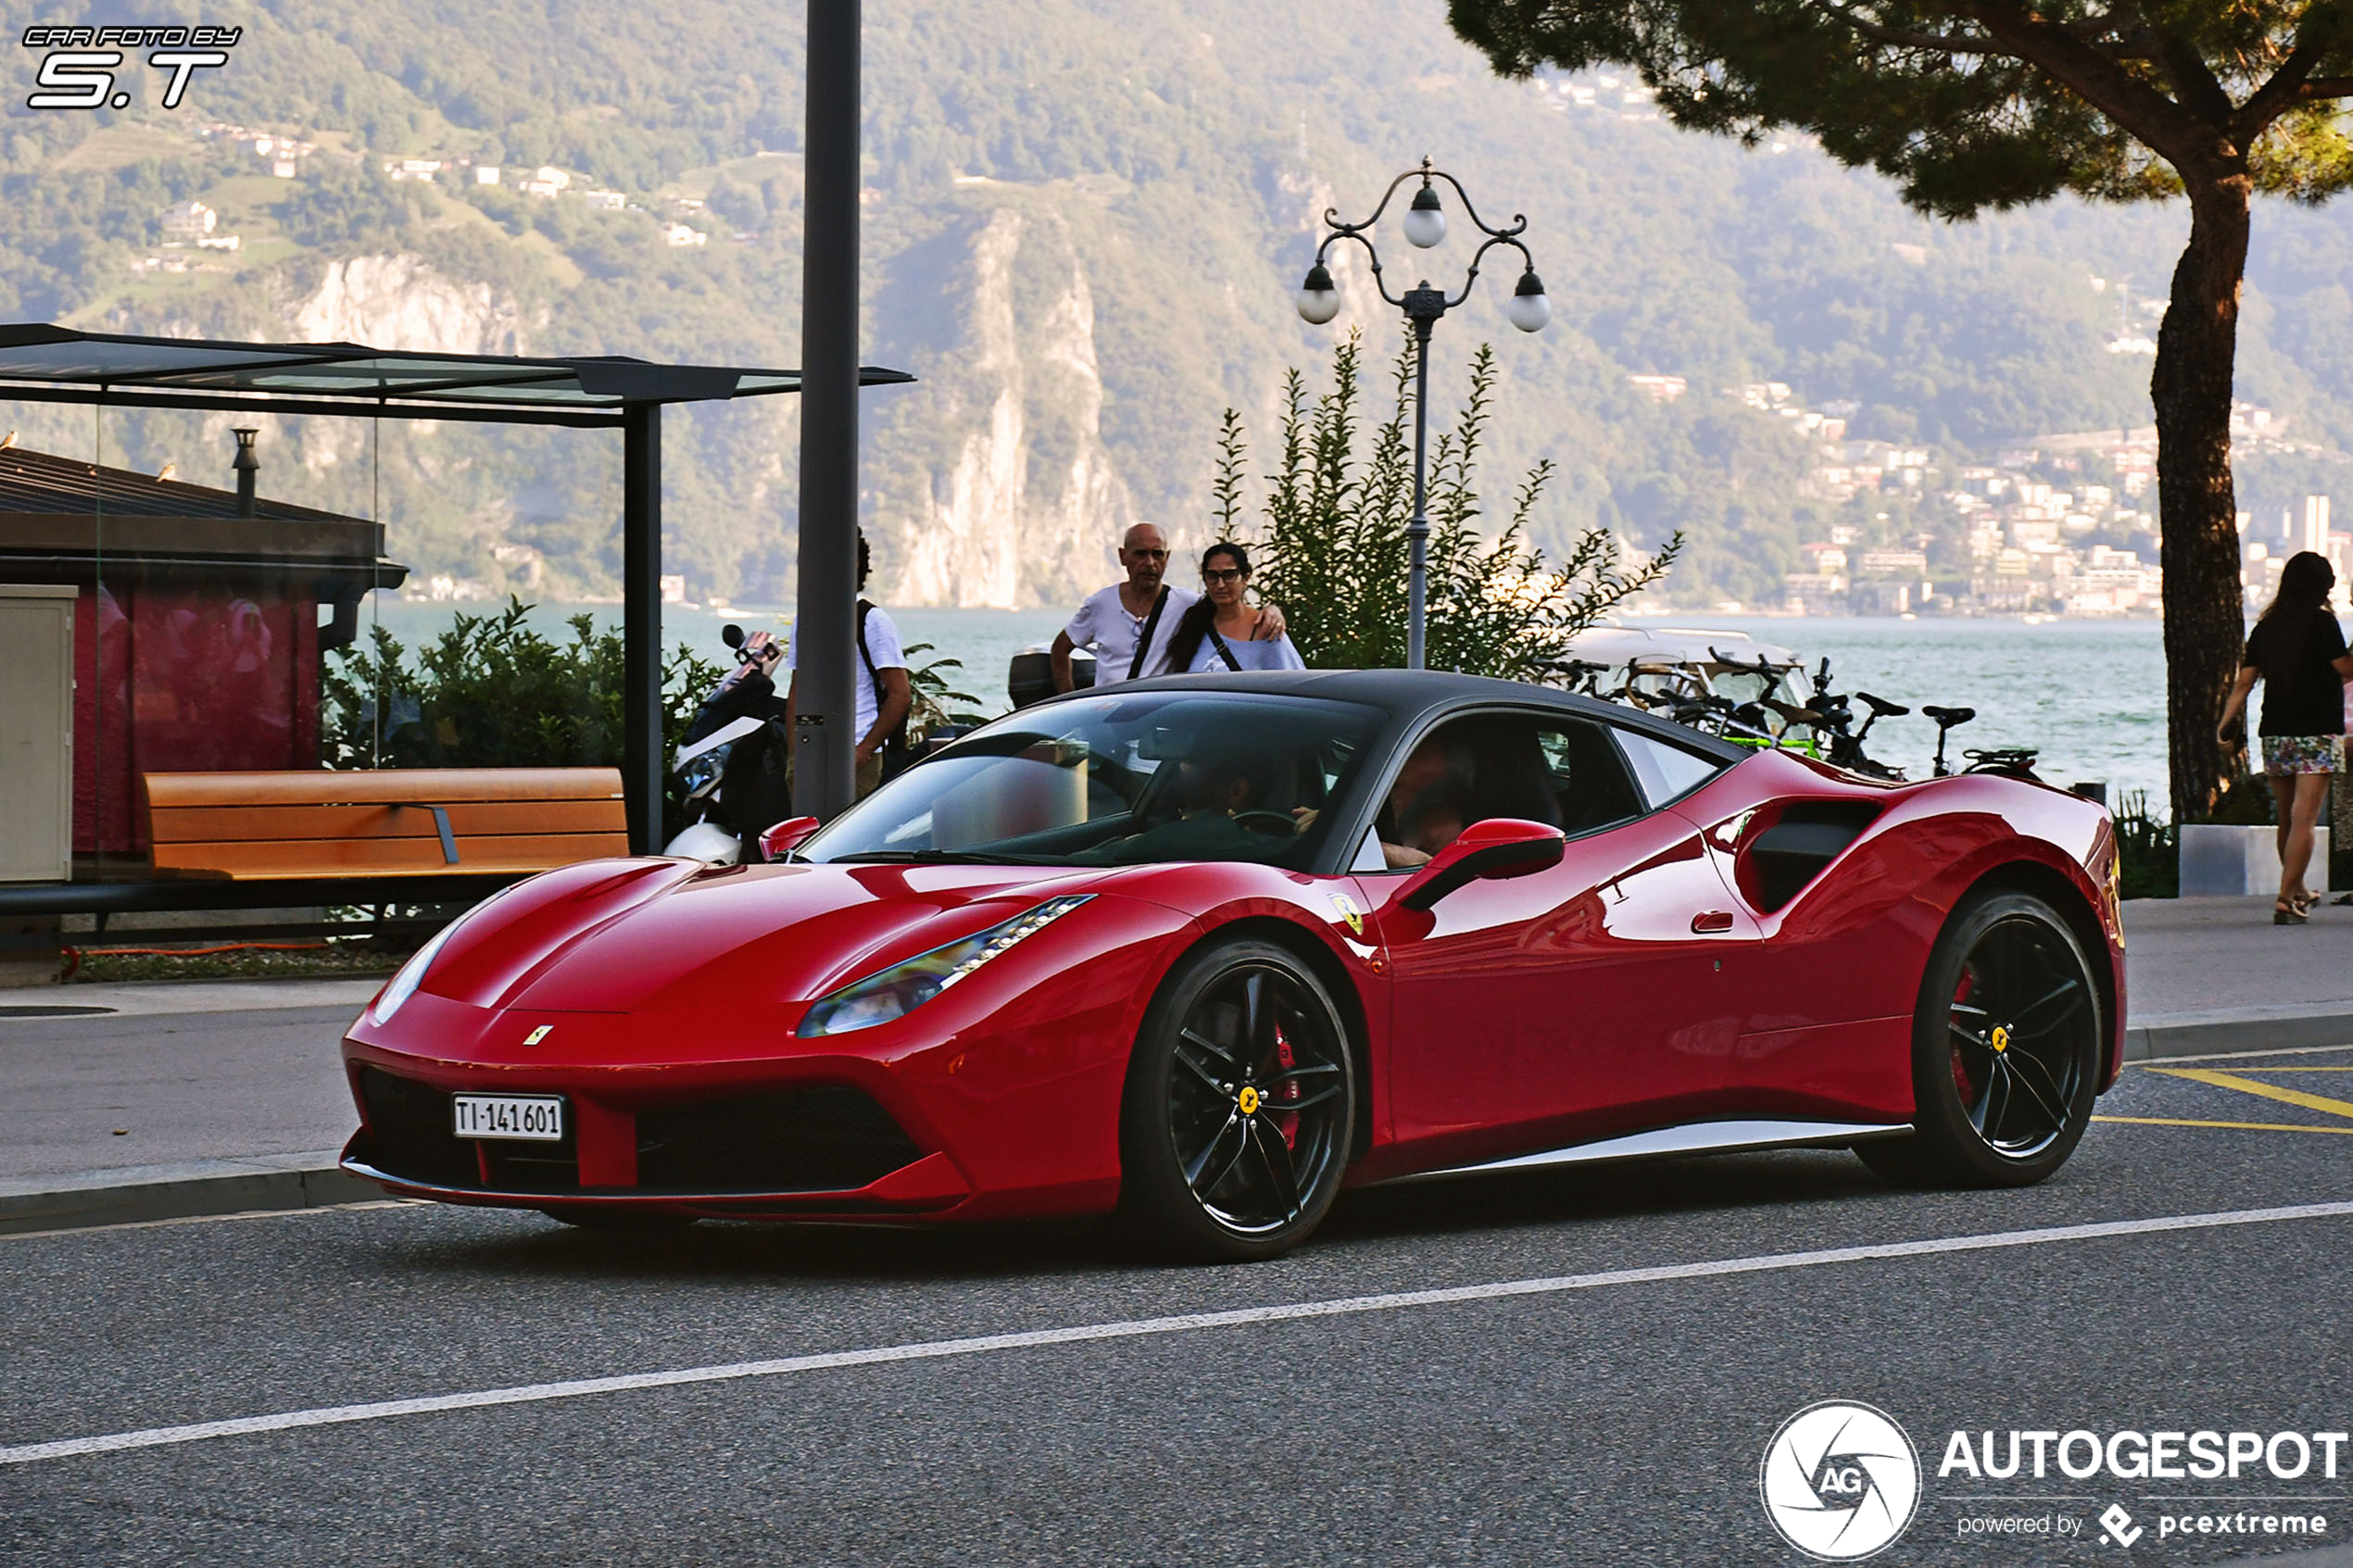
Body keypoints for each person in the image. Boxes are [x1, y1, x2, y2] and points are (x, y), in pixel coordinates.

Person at [2217, 550, 2353, 924]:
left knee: (2287, 820)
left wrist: (2225, 724)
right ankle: (2283, 897)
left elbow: (2244, 682)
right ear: (2322, 586)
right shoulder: (2324, 625)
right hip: (2318, 732)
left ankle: (2296, 891)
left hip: (2276, 732)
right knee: (2305, 820)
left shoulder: (2266, 627)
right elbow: (2344, 668)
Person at [1051, 523, 1285, 691]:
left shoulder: (1187, 604)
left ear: (1167, 557)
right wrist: (1069, 701)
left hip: (1158, 719)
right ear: (1123, 556)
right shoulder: (1101, 604)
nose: (1150, 563)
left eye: (1157, 554)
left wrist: (1271, 610)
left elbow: (1231, 606)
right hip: (1107, 718)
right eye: (1141, 554)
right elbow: (1060, 649)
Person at [787, 533, 912, 799]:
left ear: (853, 566)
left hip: (856, 755)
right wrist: (794, 753)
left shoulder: (872, 620)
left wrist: (864, 749)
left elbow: (900, 694)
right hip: (811, 754)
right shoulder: (805, 619)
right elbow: (797, 690)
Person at [1164, 541, 1306, 673]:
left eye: (1229, 575)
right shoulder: (1194, 624)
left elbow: (1295, 684)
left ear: (1245, 579)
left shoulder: (1267, 628)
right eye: (1213, 576)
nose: (1220, 584)